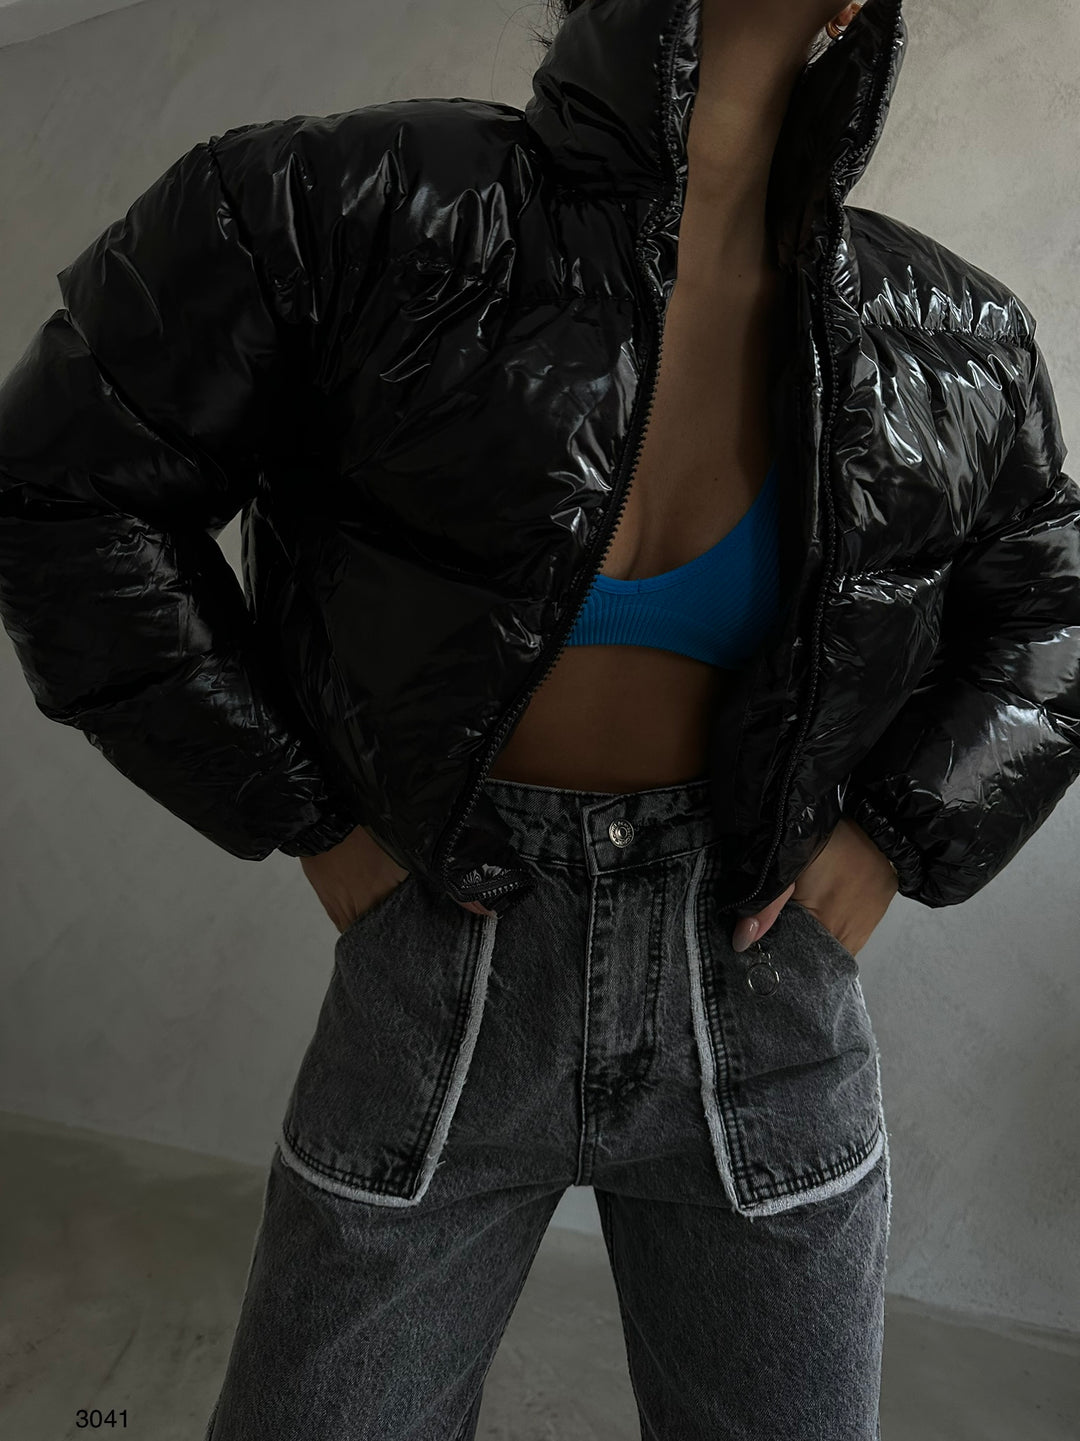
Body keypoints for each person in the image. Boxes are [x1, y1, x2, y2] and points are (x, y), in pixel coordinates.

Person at [0, 0, 1077, 1435]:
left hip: (759, 992)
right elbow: (63, 495)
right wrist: (305, 817)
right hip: (446, 955)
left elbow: (1053, 610)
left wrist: (893, 837)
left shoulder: (953, 336)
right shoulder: (336, 211)